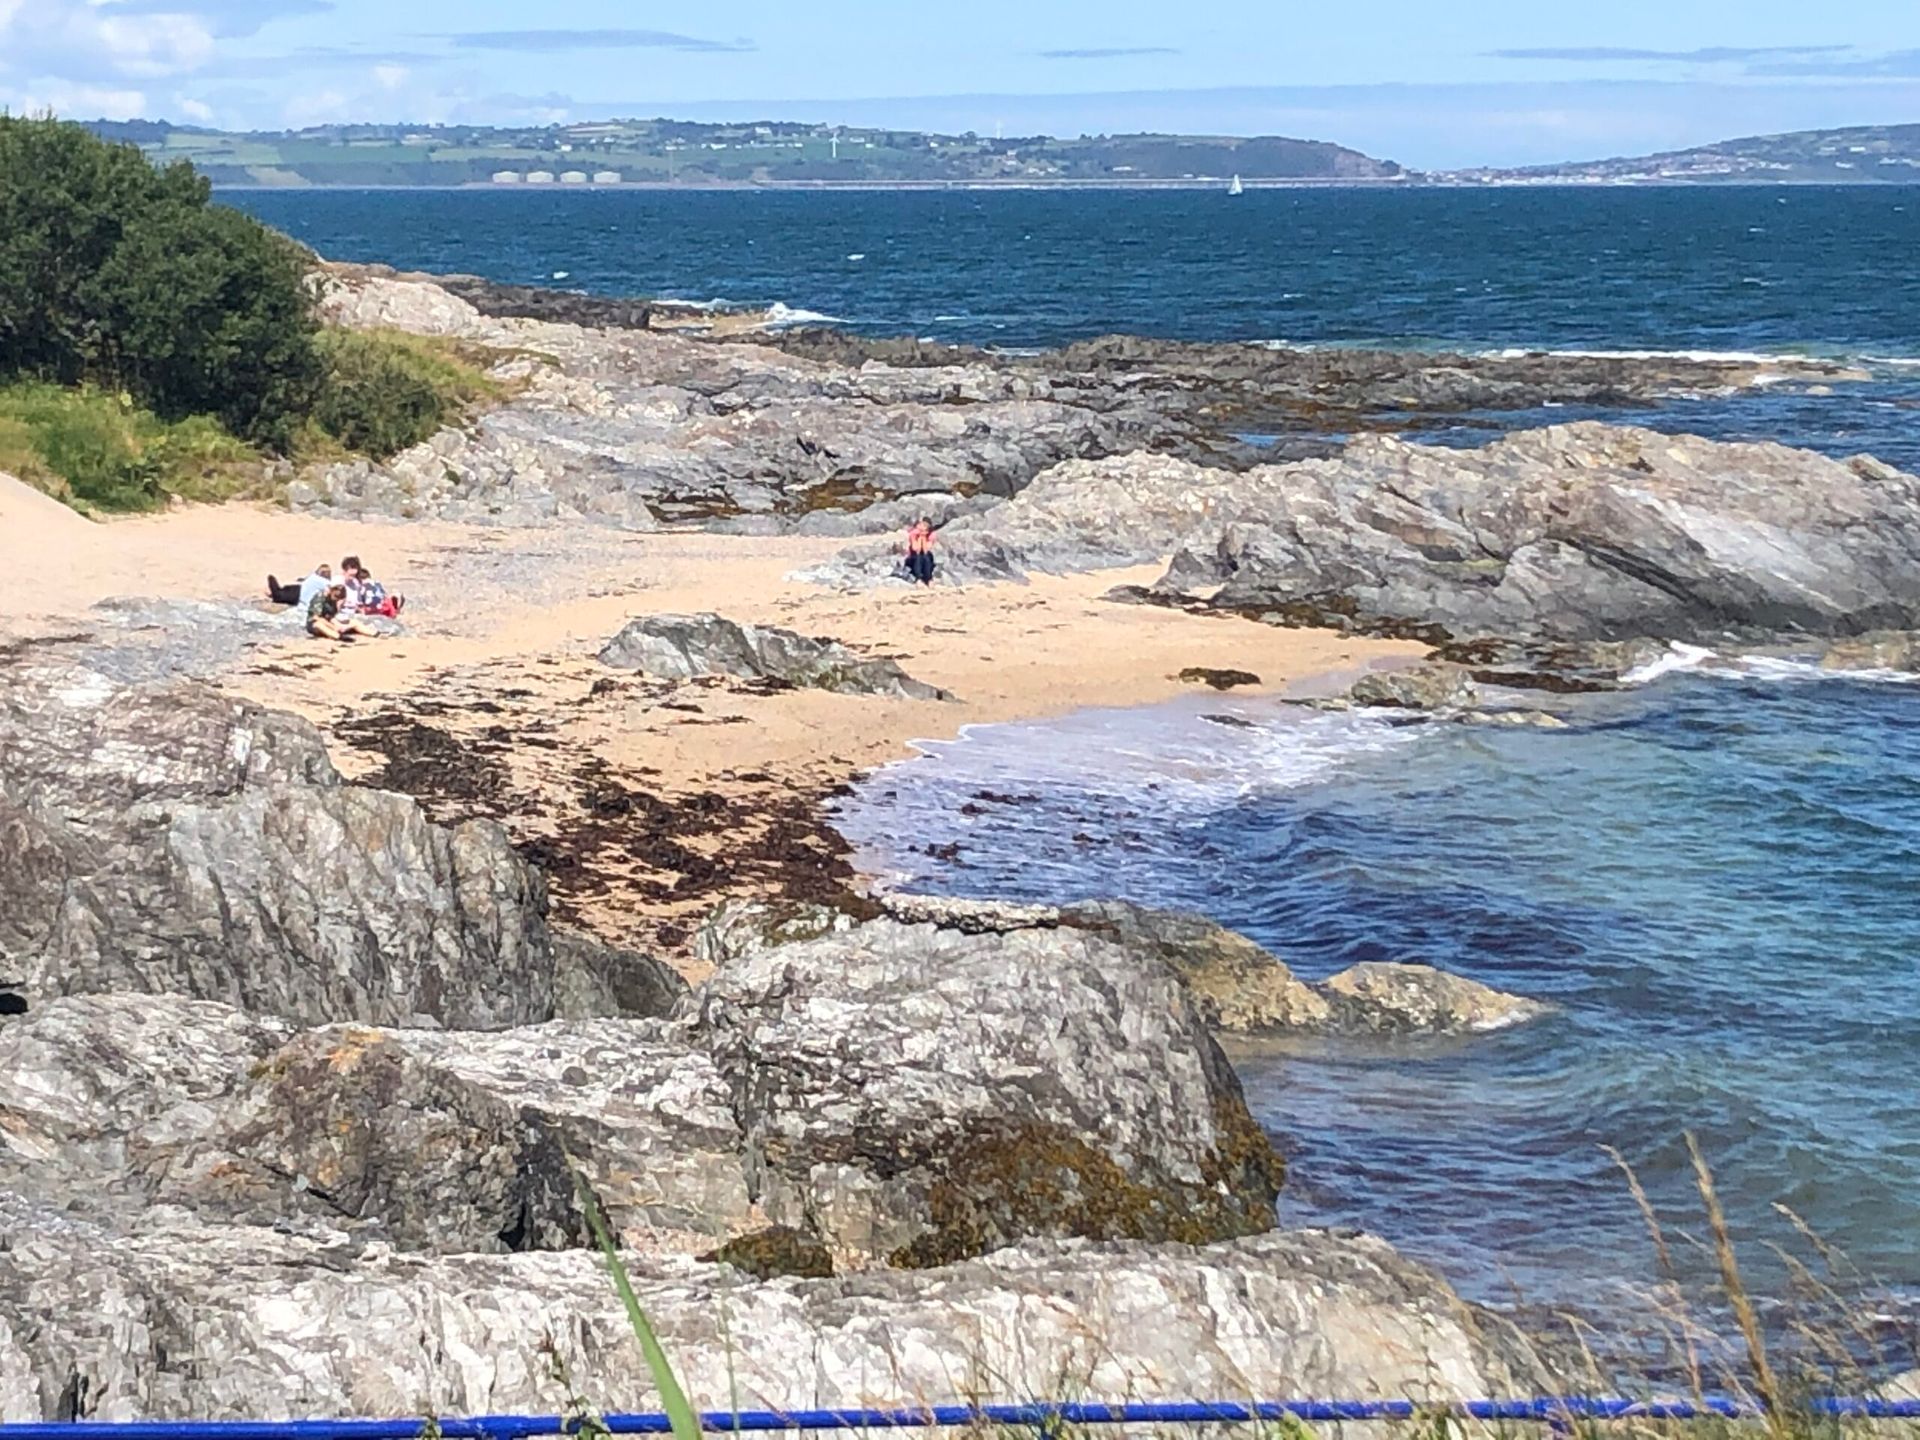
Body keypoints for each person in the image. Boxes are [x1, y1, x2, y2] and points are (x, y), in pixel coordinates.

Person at [306, 583, 374, 642]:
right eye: (336, 596)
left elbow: (330, 617)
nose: (337, 599)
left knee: (353, 622)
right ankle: (338, 637)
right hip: (315, 622)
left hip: (329, 622)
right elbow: (316, 617)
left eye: (339, 597)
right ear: (332, 591)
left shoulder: (333, 601)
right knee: (319, 625)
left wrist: (338, 625)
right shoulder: (320, 597)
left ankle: (373, 633)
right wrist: (333, 627)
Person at [904, 517, 936, 586]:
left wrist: (923, 538)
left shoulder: (931, 535)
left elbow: (926, 550)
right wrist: (919, 537)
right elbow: (916, 549)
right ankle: (918, 579)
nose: (922, 527)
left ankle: (928, 578)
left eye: (925, 526)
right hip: (913, 555)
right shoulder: (913, 533)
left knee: (926, 558)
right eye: (922, 525)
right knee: (918, 558)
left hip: (925, 554)